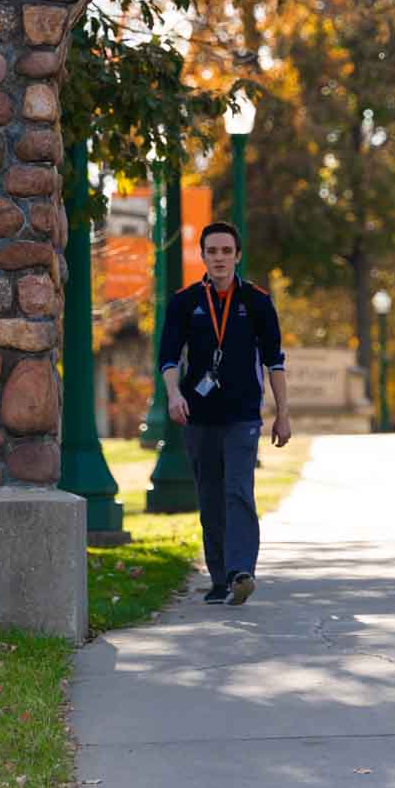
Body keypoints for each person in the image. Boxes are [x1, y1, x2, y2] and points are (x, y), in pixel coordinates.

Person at [158, 221, 291, 605]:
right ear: (202, 256)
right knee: (211, 498)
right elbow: (167, 358)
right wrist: (173, 396)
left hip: (243, 416)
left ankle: (240, 571)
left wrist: (283, 413)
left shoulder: (257, 302)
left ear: (238, 256)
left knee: (238, 491)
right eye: (212, 251)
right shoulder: (185, 303)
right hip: (198, 417)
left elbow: (274, 362)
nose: (219, 258)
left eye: (226, 251)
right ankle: (220, 578)